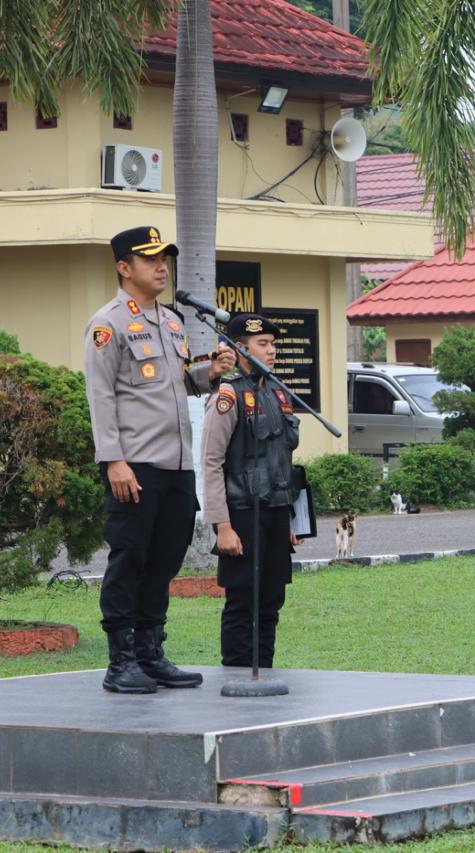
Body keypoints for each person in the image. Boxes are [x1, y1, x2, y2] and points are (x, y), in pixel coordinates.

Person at [84, 225, 235, 694]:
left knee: (164, 561)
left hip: (176, 466)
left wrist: (210, 372)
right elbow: (101, 395)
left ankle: (150, 653)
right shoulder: (107, 323)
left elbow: (180, 384)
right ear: (123, 267)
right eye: (150, 260)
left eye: (164, 258)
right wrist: (114, 461)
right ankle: (120, 661)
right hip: (135, 464)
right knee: (130, 558)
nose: (162, 267)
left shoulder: (170, 321)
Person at [200, 313, 301, 667]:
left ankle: (266, 670)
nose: (272, 351)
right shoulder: (228, 396)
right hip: (242, 514)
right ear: (240, 348)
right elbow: (211, 463)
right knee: (243, 600)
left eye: (274, 344)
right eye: (263, 344)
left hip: (275, 512)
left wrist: (292, 520)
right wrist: (222, 526)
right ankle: (237, 675)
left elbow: (283, 461)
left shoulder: (277, 393)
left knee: (272, 599)